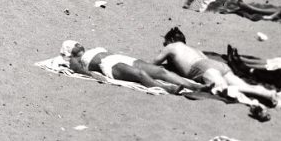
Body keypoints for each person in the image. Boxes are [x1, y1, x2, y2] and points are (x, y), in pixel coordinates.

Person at [154, 26, 281, 107]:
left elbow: (154, 64)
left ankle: (255, 105)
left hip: (201, 68)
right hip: (217, 65)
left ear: (171, 40)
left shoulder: (171, 47)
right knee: (244, 86)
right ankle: (270, 94)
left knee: (223, 90)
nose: (164, 46)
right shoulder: (194, 50)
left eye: (165, 43)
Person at [62, 40, 204, 93]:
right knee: (140, 74)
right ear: (69, 51)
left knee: (160, 71)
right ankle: (167, 88)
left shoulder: (94, 49)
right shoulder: (74, 60)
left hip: (120, 58)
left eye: (77, 42)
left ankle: (194, 86)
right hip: (109, 65)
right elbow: (78, 69)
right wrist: (94, 75)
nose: (77, 44)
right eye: (73, 45)